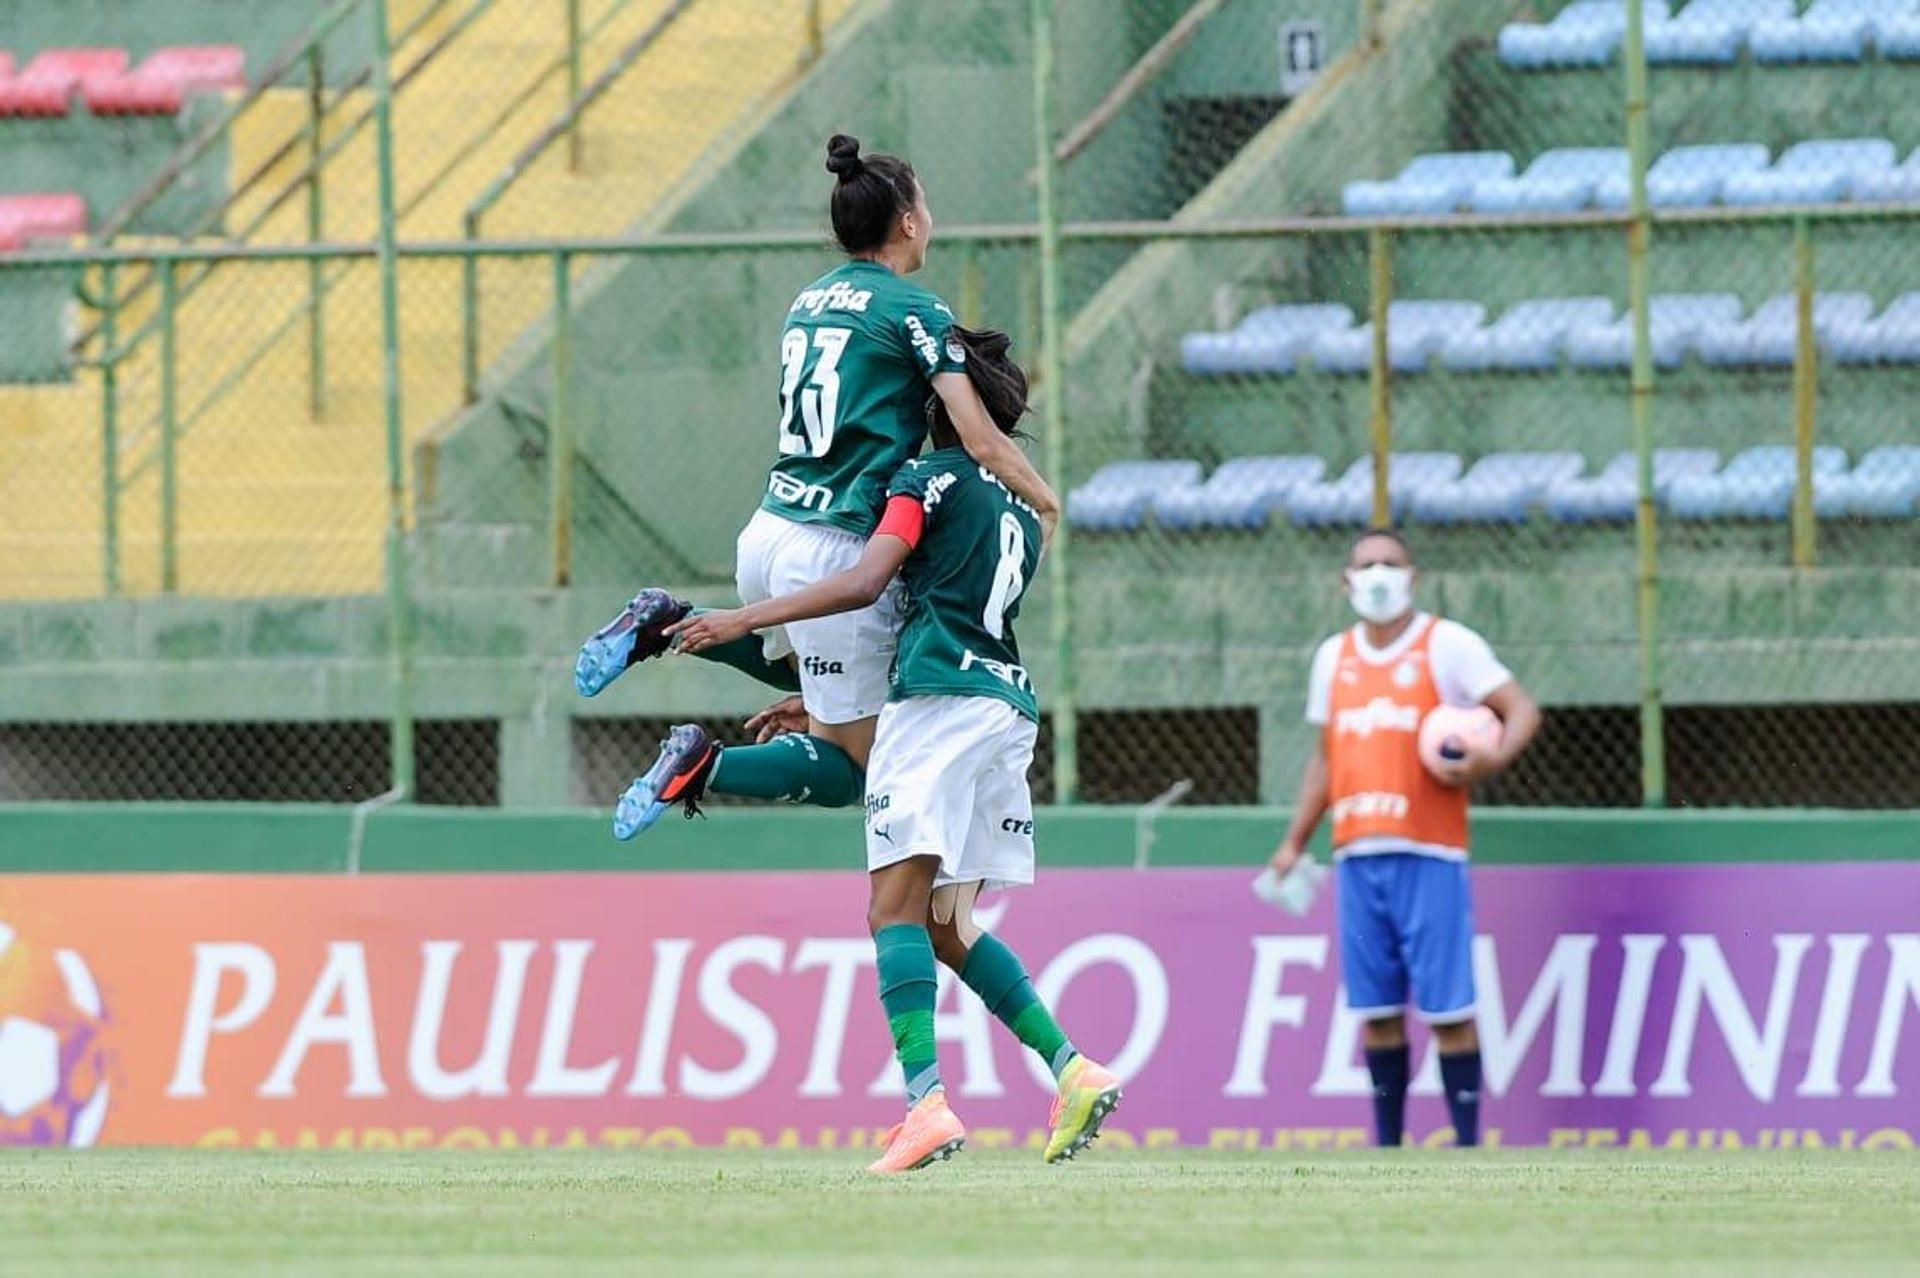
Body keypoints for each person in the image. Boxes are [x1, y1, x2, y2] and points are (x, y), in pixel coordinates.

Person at [668, 328, 1120, 1174]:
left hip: (938, 708)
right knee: (949, 926)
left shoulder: (921, 482)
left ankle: (925, 1106)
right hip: (1006, 708)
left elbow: (865, 582)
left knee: (891, 912)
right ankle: (1075, 1070)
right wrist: (829, 697)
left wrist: (743, 620)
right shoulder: (1021, 505)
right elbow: (953, 597)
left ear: (942, 406)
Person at [574, 134, 1059, 840]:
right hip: (839, 547)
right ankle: (703, 764)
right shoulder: (917, 308)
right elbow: (979, 436)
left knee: (801, 676)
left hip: (767, 534)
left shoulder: (808, 300)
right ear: (909, 221)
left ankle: (662, 621)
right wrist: (1045, 498)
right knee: (853, 771)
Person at [1267, 528, 1540, 1149]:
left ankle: (1467, 1143)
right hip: (1357, 855)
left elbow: (1520, 709)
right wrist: (1294, 840)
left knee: (1449, 1011)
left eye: (1392, 563)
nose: (1379, 574)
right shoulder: (1333, 657)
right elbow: (1326, 758)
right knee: (1378, 1013)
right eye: (1367, 565)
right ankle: (1388, 1148)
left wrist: (1487, 762)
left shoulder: (1448, 645)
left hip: (1430, 853)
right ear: (1346, 582)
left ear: (1414, 578)